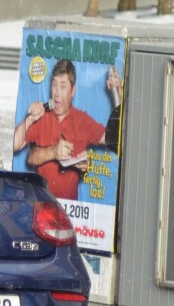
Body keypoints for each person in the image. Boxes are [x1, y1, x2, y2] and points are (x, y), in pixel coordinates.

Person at [13, 58, 122, 200]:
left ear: (73, 91)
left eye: (63, 86)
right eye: (54, 85)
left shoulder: (82, 121)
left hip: (69, 212)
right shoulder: (41, 116)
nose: (57, 93)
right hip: (41, 204)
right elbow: (21, 149)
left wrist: (117, 95)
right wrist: (28, 120)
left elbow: (115, 139)